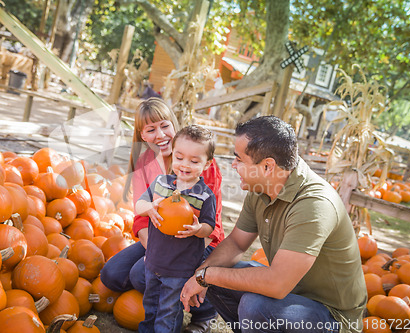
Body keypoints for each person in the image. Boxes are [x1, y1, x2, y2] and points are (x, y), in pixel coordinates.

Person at [180, 116, 367, 333]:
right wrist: (201, 273)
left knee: (254, 305)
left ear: (268, 166)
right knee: (207, 262)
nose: (233, 165)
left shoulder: (314, 205)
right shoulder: (261, 186)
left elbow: (276, 285)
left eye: (239, 159)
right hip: (290, 295)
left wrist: (207, 277)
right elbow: (237, 244)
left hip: (332, 317)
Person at [100, 97, 224, 332]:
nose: (160, 134)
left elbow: (212, 226)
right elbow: (140, 217)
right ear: (142, 135)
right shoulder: (145, 162)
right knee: (113, 274)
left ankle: (203, 311)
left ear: (174, 125)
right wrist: (154, 254)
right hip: (158, 238)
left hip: (197, 240)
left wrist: (189, 265)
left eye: (164, 125)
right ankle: (159, 295)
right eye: (151, 129)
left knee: (140, 274)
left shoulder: (200, 161)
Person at [136, 125, 217, 332]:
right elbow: (138, 205)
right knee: (150, 308)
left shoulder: (205, 195)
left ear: (206, 164)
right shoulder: (161, 183)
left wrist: (198, 229)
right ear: (172, 155)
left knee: (168, 313)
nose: (184, 165)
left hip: (179, 268)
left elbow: (209, 227)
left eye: (194, 161)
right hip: (153, 261)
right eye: (179, 158)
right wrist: (150, 207)